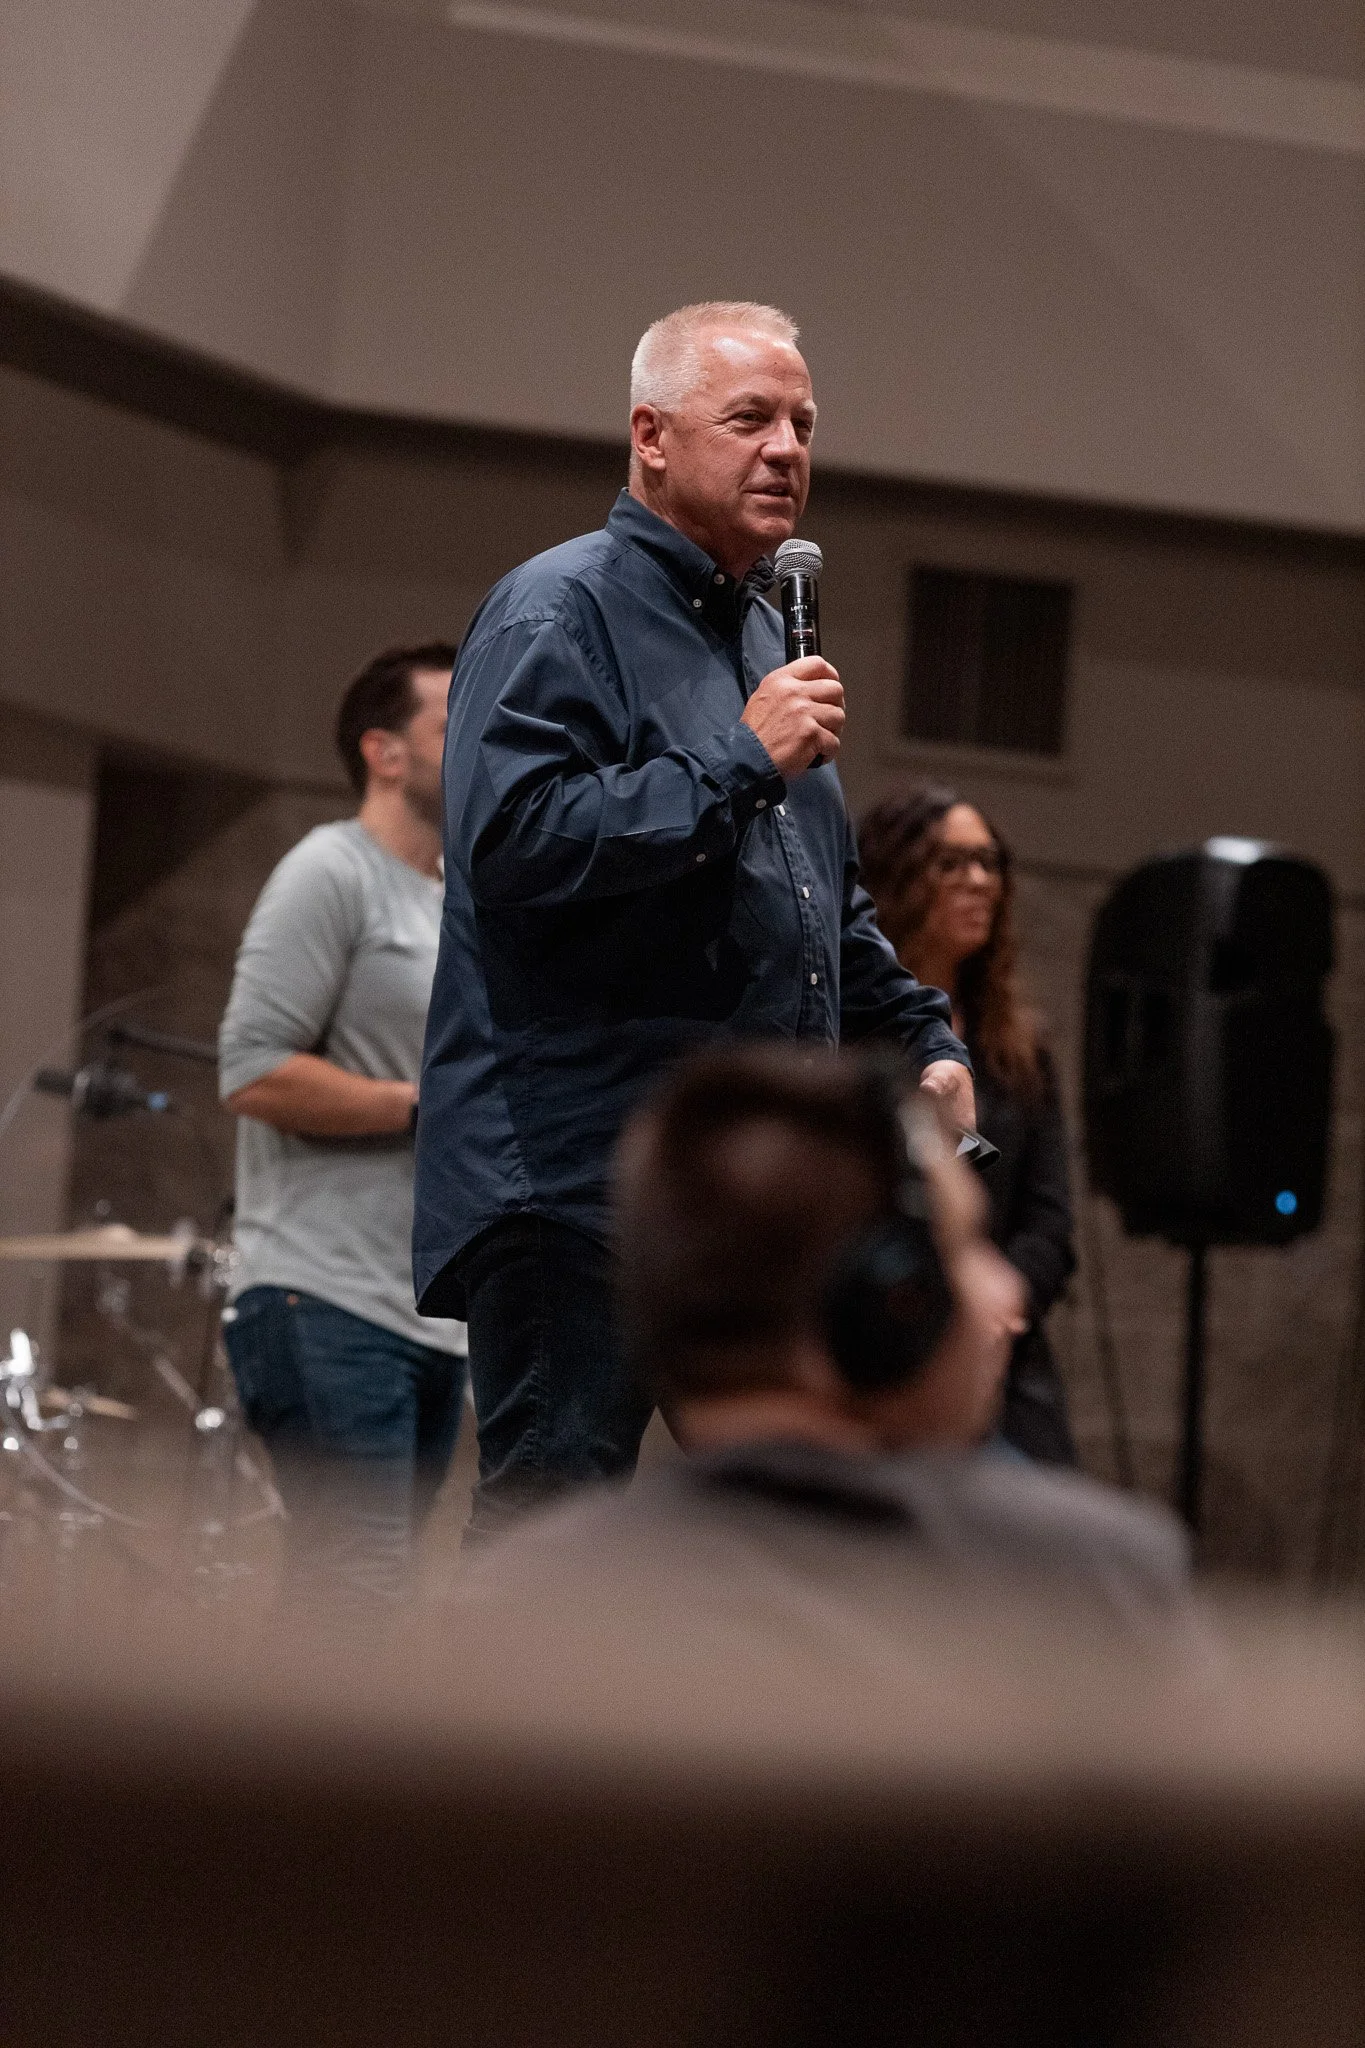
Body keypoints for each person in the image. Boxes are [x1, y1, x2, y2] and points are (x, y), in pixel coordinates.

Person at [414, 301, 974, 1537]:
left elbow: (818, 899)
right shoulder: (557, 611)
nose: (788, 447)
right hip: (578, 1184)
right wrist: (737, 761)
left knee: (788, 1542)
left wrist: (926, 1037)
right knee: (550, 1540)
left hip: (741, 1204)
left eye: (804, 423)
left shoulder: (768, 642)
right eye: (751, 418)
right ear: (651, 436)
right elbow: (510, 845)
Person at [459, 1044, 1190, 1632]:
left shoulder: (525, 1597)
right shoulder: (1094, 1581)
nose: (1001, 1288)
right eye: (965, 1246)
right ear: (888, 1302)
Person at [219, 643, 468, 1606]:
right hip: (320, 1299)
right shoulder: (330, 871)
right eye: (454, 724)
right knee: (352, 1595)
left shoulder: (461, 902)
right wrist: (427, 1105)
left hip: (431, 1317)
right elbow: (251, 1072)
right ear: (384, 751)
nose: (485, 738)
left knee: (382, 1601)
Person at [857, 784, 1078, 1464]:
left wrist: (991, 1310)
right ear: (897, 876)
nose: (979, 881)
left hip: (1000, 1357)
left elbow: (1048, 1224)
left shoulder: (1018, 1046)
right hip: (877, 1341)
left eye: (989, 861)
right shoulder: (851, 1033)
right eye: (951, 862)